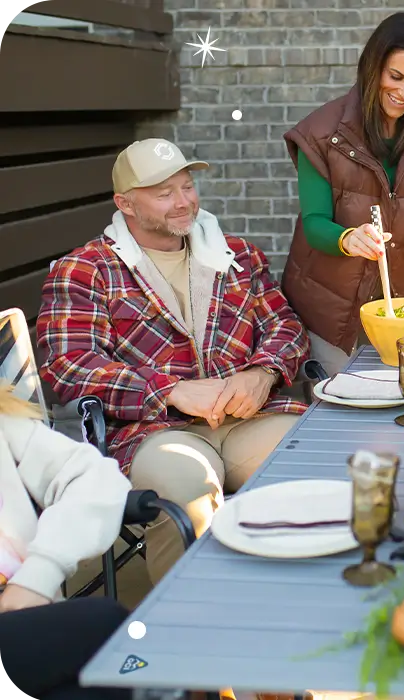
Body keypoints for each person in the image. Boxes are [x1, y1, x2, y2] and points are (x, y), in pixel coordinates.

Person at [37, 138, 311, 584]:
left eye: (187, 186)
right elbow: (69, 364)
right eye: (164, 194)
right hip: (152, 430)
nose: (184, 202)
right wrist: (167, 389)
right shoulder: (86, 269)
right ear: (124, 203)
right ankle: (186, 633)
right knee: (189, 499)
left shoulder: (237, 255)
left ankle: (295, 609)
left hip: (247, 417)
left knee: (315, 466)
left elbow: (285, 327)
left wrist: (264, 372)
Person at [281, 11, 404, 375]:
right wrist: (349, 239)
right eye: (396, 76)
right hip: (327, 312)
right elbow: (314, 223)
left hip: (401, 309)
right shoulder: (320, 133)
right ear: (373, 66)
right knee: (336, 411)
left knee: (401, 406)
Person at [0, 386, 131, 699]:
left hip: (22, 621)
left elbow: (95, 476)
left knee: (92, 690)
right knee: (104, 626)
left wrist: (36, 578)